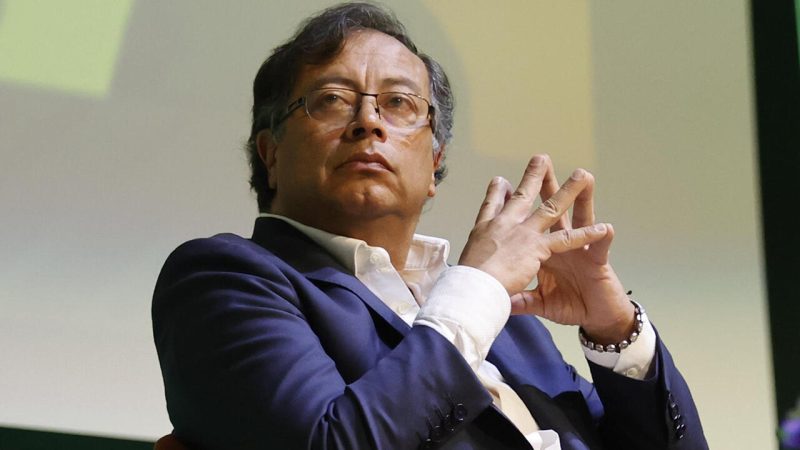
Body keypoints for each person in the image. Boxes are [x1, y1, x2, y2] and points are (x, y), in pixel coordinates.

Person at [152, 3, 707, 449]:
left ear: (435, 162)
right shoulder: (224, 279)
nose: (368, 122)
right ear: (270, 153)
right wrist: (480, 286)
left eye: (398, 103)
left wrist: (614, 330)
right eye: (333, 100)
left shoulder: (508, 324)